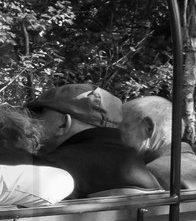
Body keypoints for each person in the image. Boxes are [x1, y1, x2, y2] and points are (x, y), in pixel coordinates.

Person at [29, 82, 158, 197]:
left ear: (63, 123)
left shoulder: (51, 169)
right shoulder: (139, 166)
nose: (32, 123)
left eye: (38, 115)